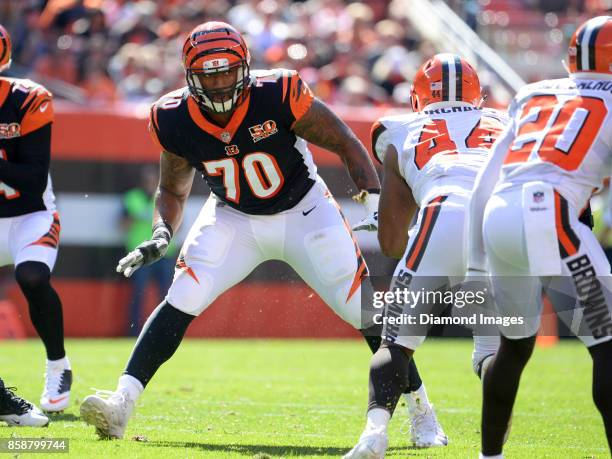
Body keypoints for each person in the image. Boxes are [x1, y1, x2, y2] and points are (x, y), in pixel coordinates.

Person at [79, 21, 444, 442]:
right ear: (189, 76)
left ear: (246, 67)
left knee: (363, 311)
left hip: (304, 210)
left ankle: (423, 413)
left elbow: (344, 140)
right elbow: (172, 190)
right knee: (183, 294)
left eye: (226, 72)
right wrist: (162, 233)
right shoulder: (172, 116)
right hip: (233, 216)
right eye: (208, 74)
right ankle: (121, 403)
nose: (218, 84)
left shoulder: (279, 93)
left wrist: (374, 202)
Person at [345, 54, 506, 458]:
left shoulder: (399, 130)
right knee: (493, 351)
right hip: (501, 226)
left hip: (443, 216)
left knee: (395, 343)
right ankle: (493, 449)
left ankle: (374, 435)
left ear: (417, 98)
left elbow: (392, 243)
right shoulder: (507, 123)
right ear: (477, 96)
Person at [467, 16, 612, 458]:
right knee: (608, 343)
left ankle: (489, 456)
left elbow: (484, 181)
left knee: (514, 347)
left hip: (499, 217)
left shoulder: (535, 94)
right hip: (547, 215)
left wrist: (475, 265)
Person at [0, 24, 72, 413]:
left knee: (32, 276)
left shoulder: (28, 98)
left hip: (30, 214)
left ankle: (58, 364)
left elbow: (32, 178)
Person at [121, 165, 176, 336]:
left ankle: (163, 331)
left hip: (164, 253)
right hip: (139, 254)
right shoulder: (132, 198)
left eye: (153, 180)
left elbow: (177, 224)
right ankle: (135, 332)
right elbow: (123, 225)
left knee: (166, 295)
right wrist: (138, 217)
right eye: (147, 180)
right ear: (141, 182)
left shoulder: (165, 198)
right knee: (138, 294)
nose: (150, 183)